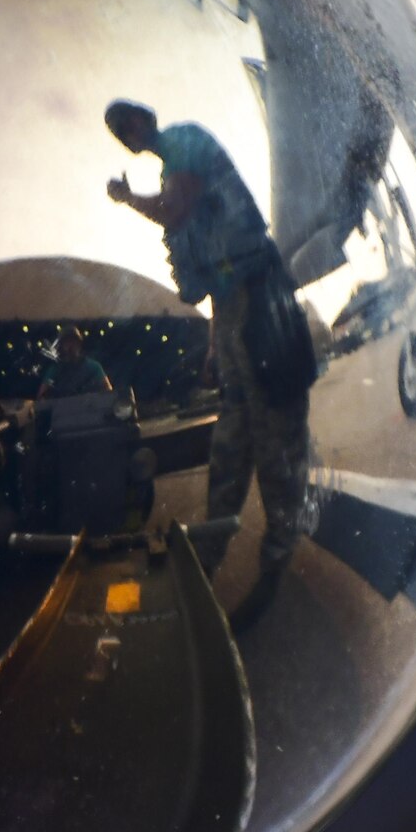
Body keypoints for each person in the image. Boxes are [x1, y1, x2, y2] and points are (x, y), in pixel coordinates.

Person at [104, 98, 313, 627]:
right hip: (236, 312)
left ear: (143, 118)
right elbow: (209, 286)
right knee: (228, 451)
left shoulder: (186, 143)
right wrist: (216, 350)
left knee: (277, 445)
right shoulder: (173, 174)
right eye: (116, 131)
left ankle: (273, 569)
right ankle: (205, 572)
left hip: (263, 302)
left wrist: (129, 199)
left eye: (124, 121)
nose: (124, 133)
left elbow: (175, 208)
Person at [37, 326, 111, 401]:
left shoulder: (93, 367)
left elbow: (108, 392)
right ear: (61, 345)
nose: (71, 345)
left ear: (79, 343)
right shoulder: (56, 369)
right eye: (67, 342)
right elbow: (41, 397)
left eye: (74, 341)